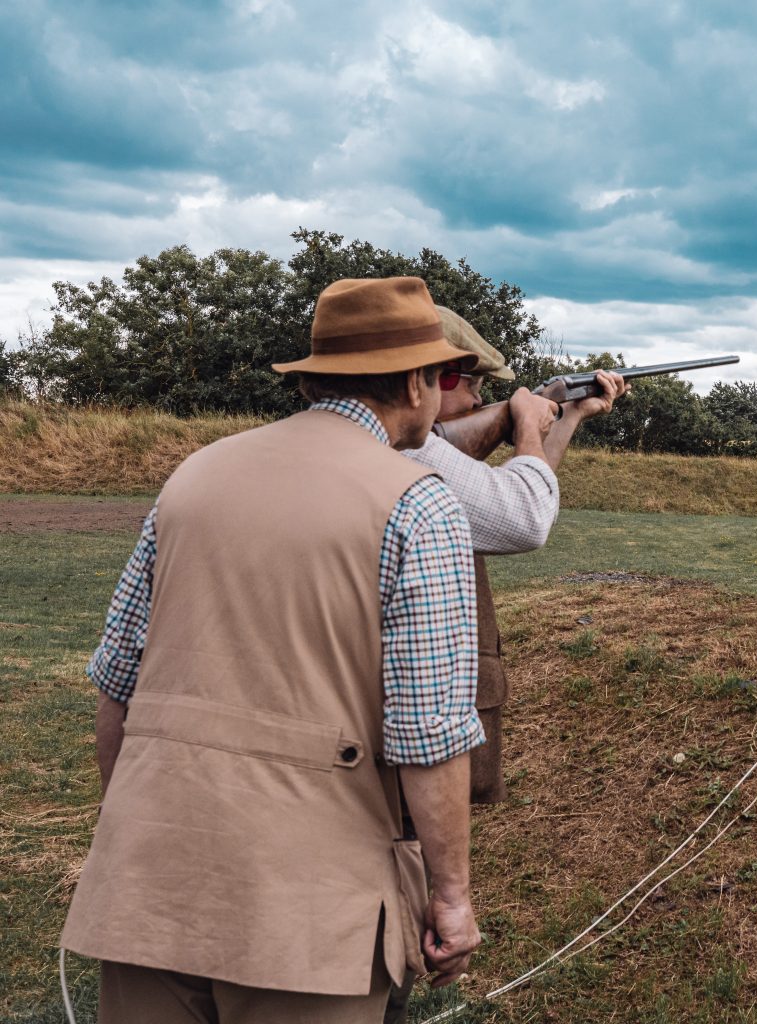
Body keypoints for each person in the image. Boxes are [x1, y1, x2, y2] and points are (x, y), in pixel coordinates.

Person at [61, 277, 538, 1023]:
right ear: (416, 381)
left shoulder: (194, 474)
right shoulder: (420, 502)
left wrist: (135, 841)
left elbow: (117, 684)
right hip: (313, 915)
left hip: (145, 884)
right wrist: (452, 896)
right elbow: (429, 736)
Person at [403, 306, 629, 804]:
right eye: (475, 386)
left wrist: (565, 415)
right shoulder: (406, 454)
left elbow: (522, 492)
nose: (482, 400)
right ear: (439, 378)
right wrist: (524, 424)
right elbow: (524, 517)